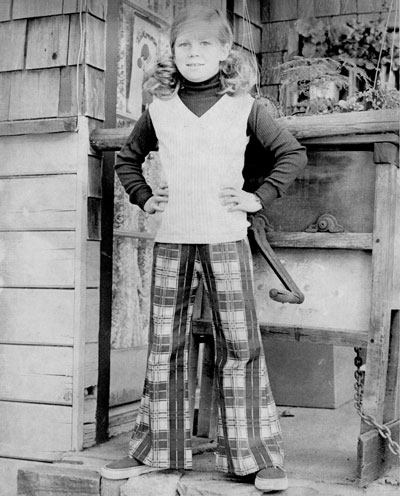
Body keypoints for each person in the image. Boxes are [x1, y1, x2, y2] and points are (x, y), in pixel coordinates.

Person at [101, 5, 307, 493]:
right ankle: (157, 452)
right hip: (172, 239)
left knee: (239, 344)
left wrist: (257, 197)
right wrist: (146, 198)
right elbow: (128, 161)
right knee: (164, 346)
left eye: (205, 45)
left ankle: (257, 459)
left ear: (225, 52)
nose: (194, 54)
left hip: (226, 237)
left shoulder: (246, 107)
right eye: (184, 46)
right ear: (172, 54)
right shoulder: (158, 110)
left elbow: (291, 153)